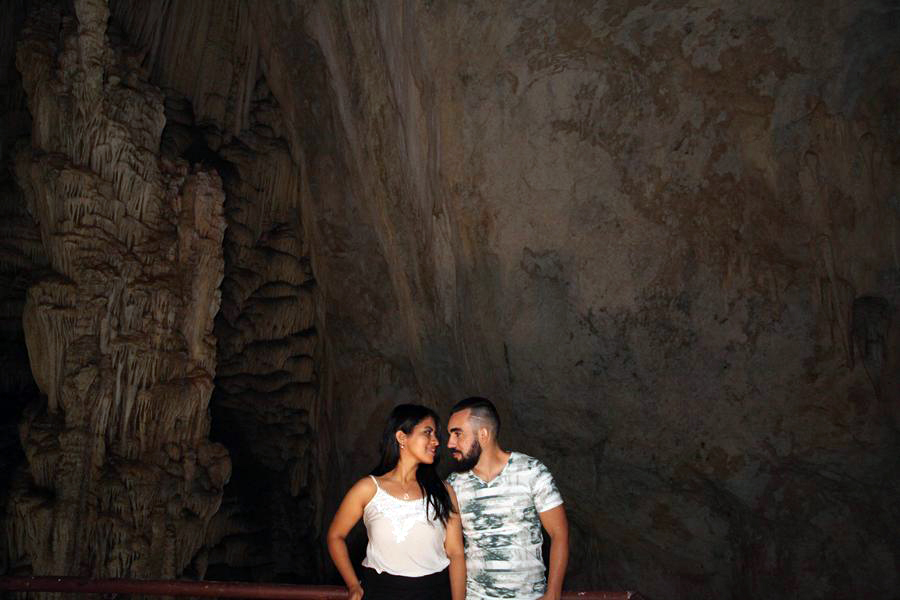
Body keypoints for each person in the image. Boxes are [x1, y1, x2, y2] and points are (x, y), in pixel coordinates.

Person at [327, 404, 466, 600]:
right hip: (380, 592)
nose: (435, 441)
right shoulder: (368, 488)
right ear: (402, 437)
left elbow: (456, 552)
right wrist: (353, 585)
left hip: (435, 592)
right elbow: (335, 536)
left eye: (436, 435)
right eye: (427, 432)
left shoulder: (443, 491)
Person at [446, 397, 569, 600]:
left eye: (457, 434)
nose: (450, 443)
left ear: (483, 434)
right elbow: (453, 551)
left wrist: (553, 593)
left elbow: (559, 533)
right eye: (450, 435)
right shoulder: (454, 484)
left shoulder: (532, 471)